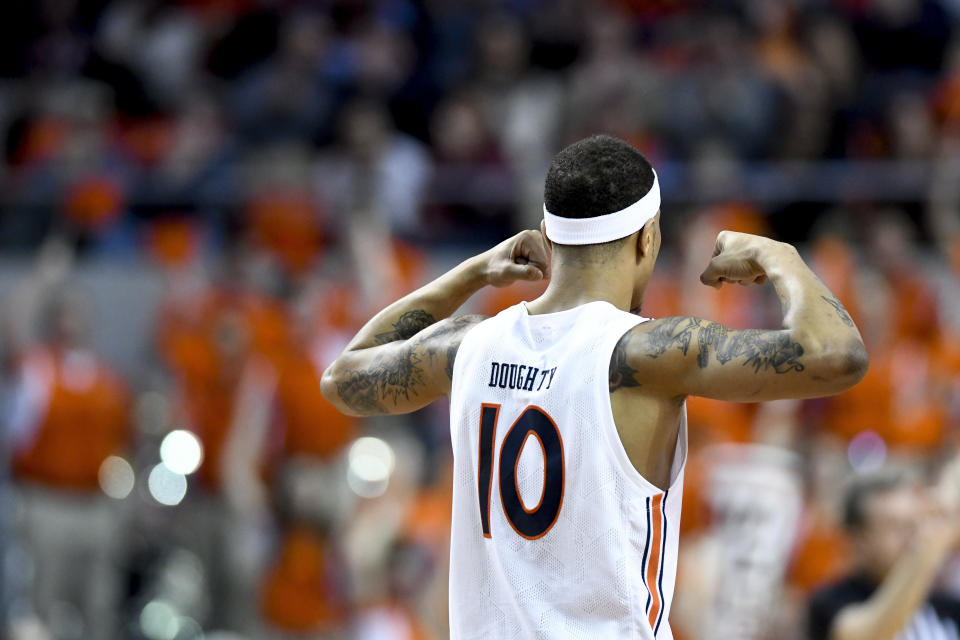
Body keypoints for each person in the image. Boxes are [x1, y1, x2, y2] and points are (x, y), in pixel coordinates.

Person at [321, 134, 868, 639]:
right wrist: (780, 255)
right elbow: (836, 355)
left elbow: (344, 378)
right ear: (648, 238)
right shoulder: (648, 353)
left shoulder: (468, 345)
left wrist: (471, 274)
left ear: (547, 235)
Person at [808, 469, 960, 640]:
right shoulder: (832, 599)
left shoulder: (947, 606)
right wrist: (925, 554)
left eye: (913, 523)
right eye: (895, 526)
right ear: (859, 539)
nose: (913, 535)